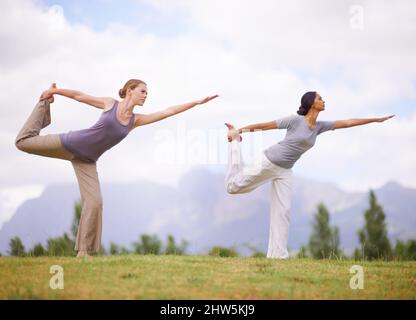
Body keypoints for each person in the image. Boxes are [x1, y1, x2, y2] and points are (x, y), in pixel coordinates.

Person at [15, 79, 218, 257]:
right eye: (143, 91)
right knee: (23, 142)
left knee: (95, 203)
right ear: (130, 90)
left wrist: (197, 102)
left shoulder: (135, 120)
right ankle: (44, 106)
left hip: (86, 160)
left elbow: (168, 112)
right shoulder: (109, 104)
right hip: (70, 143)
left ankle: (83, 252)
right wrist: (54, 92)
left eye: (147, 93)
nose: (146, 96)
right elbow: (80, 96)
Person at [224, 91, 394, 259]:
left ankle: (278, 256)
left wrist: (375, 120)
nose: (323, 100)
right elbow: (266, 125)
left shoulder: (319, 126)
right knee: (233, 187)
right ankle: (235, 145)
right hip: (269, 161)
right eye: (320, 98)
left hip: (285, 171)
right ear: (311, 103)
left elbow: (348, 122)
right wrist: (239, 131)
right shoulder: (294, 120)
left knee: (283, 212)